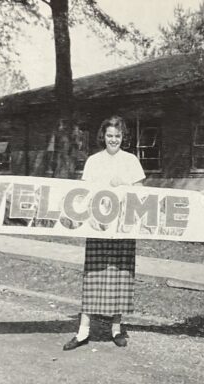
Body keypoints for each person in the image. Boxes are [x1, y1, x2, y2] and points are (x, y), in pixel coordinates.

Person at [63, 116, 145, 350]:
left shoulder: (130, 161)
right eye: (110, 135)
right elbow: (83, 192)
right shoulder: (93, 161)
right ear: (103, 136)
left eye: (117, 136)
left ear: (123, 138)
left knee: (120, 276)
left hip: (122, 228)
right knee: (93, 276)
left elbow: (141, 192)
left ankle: (116, 329)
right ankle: (83, 331)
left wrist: (126, 185)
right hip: (98, 226)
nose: (113, 140)